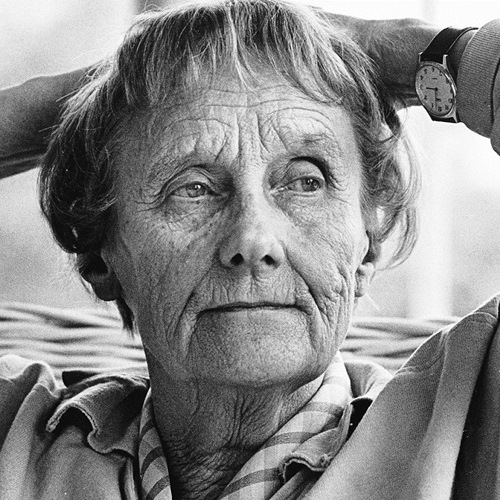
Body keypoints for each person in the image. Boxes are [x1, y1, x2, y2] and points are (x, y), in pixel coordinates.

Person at [0, 1, 499, 499]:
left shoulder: (472, 427)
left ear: (368, 245)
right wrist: (105, 96)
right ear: (97, 253)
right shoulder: (16, 437)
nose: (253, 241)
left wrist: (415, 55)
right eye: (193, 189)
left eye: (306, 181)